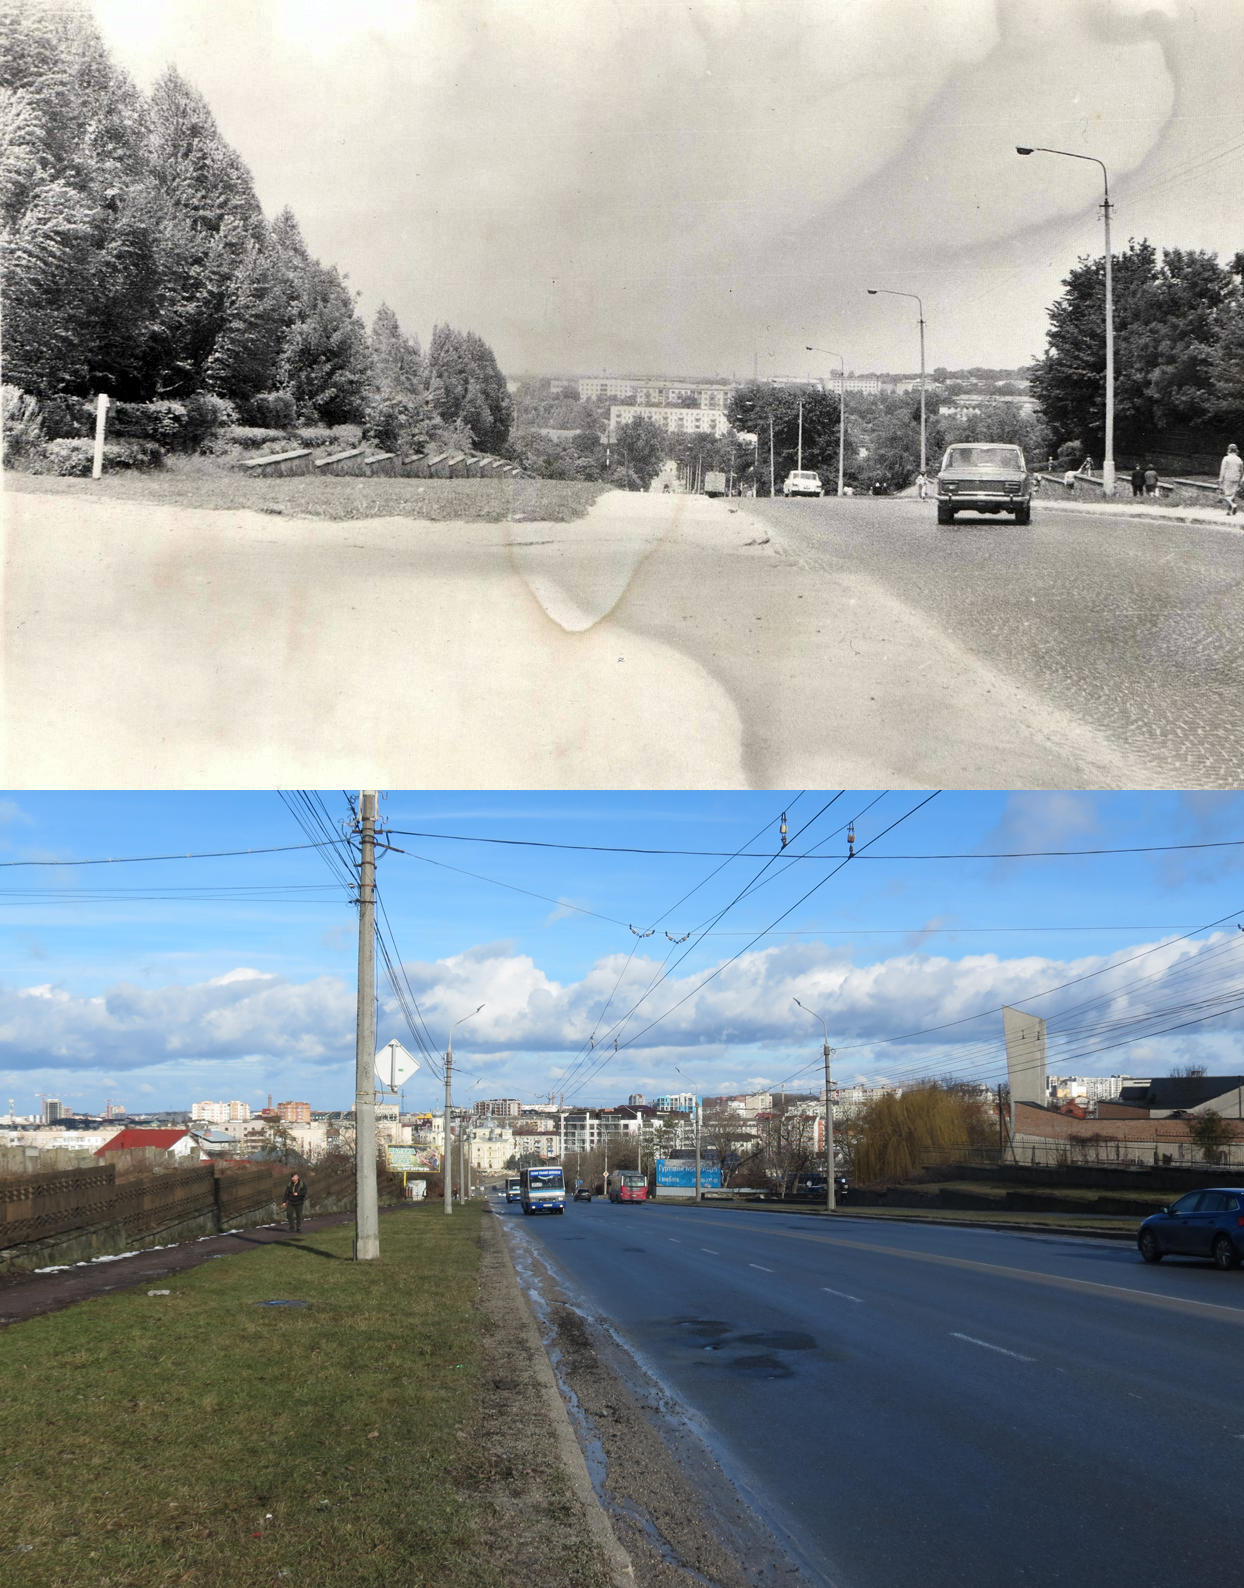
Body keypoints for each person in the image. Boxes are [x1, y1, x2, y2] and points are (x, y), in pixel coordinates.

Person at [1219, 443, 1243, 516]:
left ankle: (1233, 505)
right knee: (1232, 495)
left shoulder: (1226, 458)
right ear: (1236, 450)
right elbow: (1241, 471)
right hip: (1236, 478)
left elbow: (1223, 469)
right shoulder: (1239, 459)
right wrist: (1240, 479)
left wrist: (1220, 479)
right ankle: (1229, 511)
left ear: (1229, 450)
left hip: (1228, 477)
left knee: (1226, 495)